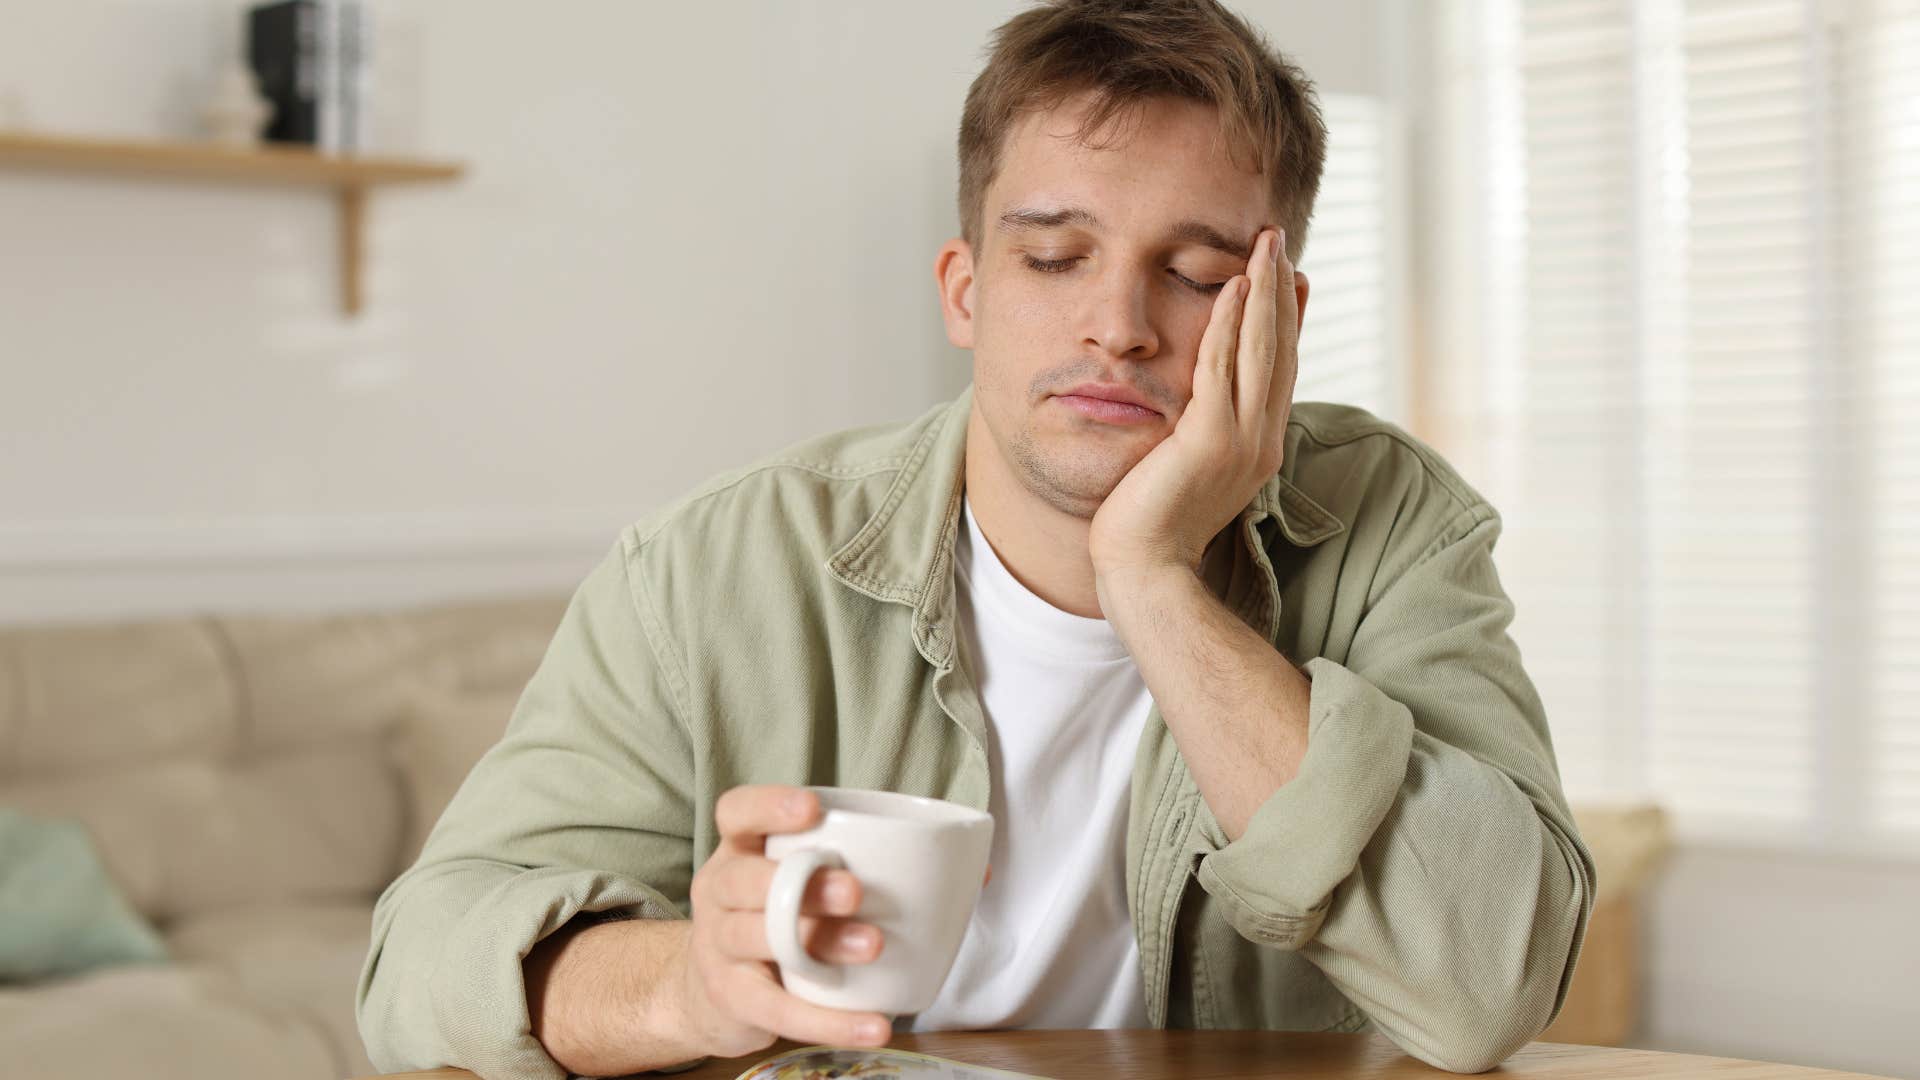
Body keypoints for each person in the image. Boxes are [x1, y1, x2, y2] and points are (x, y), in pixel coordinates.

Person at [357, 1, 1595, 1076]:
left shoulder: (1389, 523)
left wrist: (1151, 576)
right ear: (965, 290)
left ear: (1278, 317)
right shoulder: (712, 569)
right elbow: (424, 960)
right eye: (1057, 256)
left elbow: (1489, 984)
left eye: (1200, 274)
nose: (1118, 325)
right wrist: (692, 981)